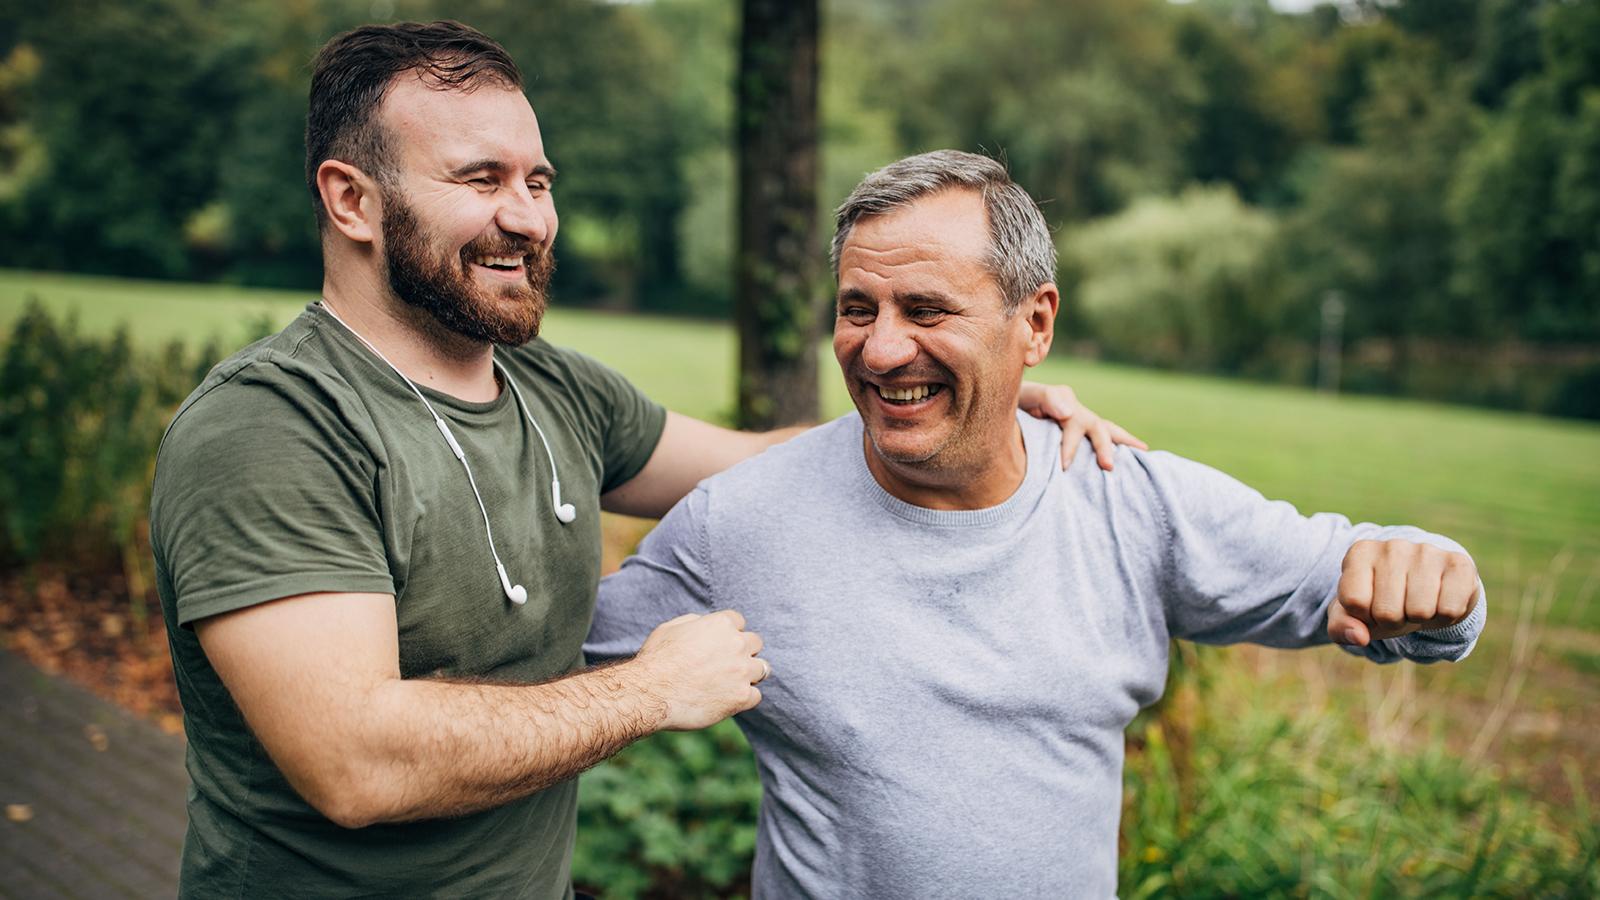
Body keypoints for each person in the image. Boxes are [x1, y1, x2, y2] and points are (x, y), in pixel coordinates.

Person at [148, 22, 1139, 899]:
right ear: (351, 200)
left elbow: (769, 464)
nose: (529, 218)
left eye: (538, 182)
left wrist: (984, 406)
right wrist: (649, 692)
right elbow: (355, 765)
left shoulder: (557, 392)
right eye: (479, 180)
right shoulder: (271, 429)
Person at [585, 149, 1487, 898]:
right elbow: (536, 665)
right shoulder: (741, 522)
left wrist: (1441, 581)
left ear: (1036, 323)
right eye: (859, 308)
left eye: (927, 309)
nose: (882, 347)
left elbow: (1369, 577)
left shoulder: (1127, 500)